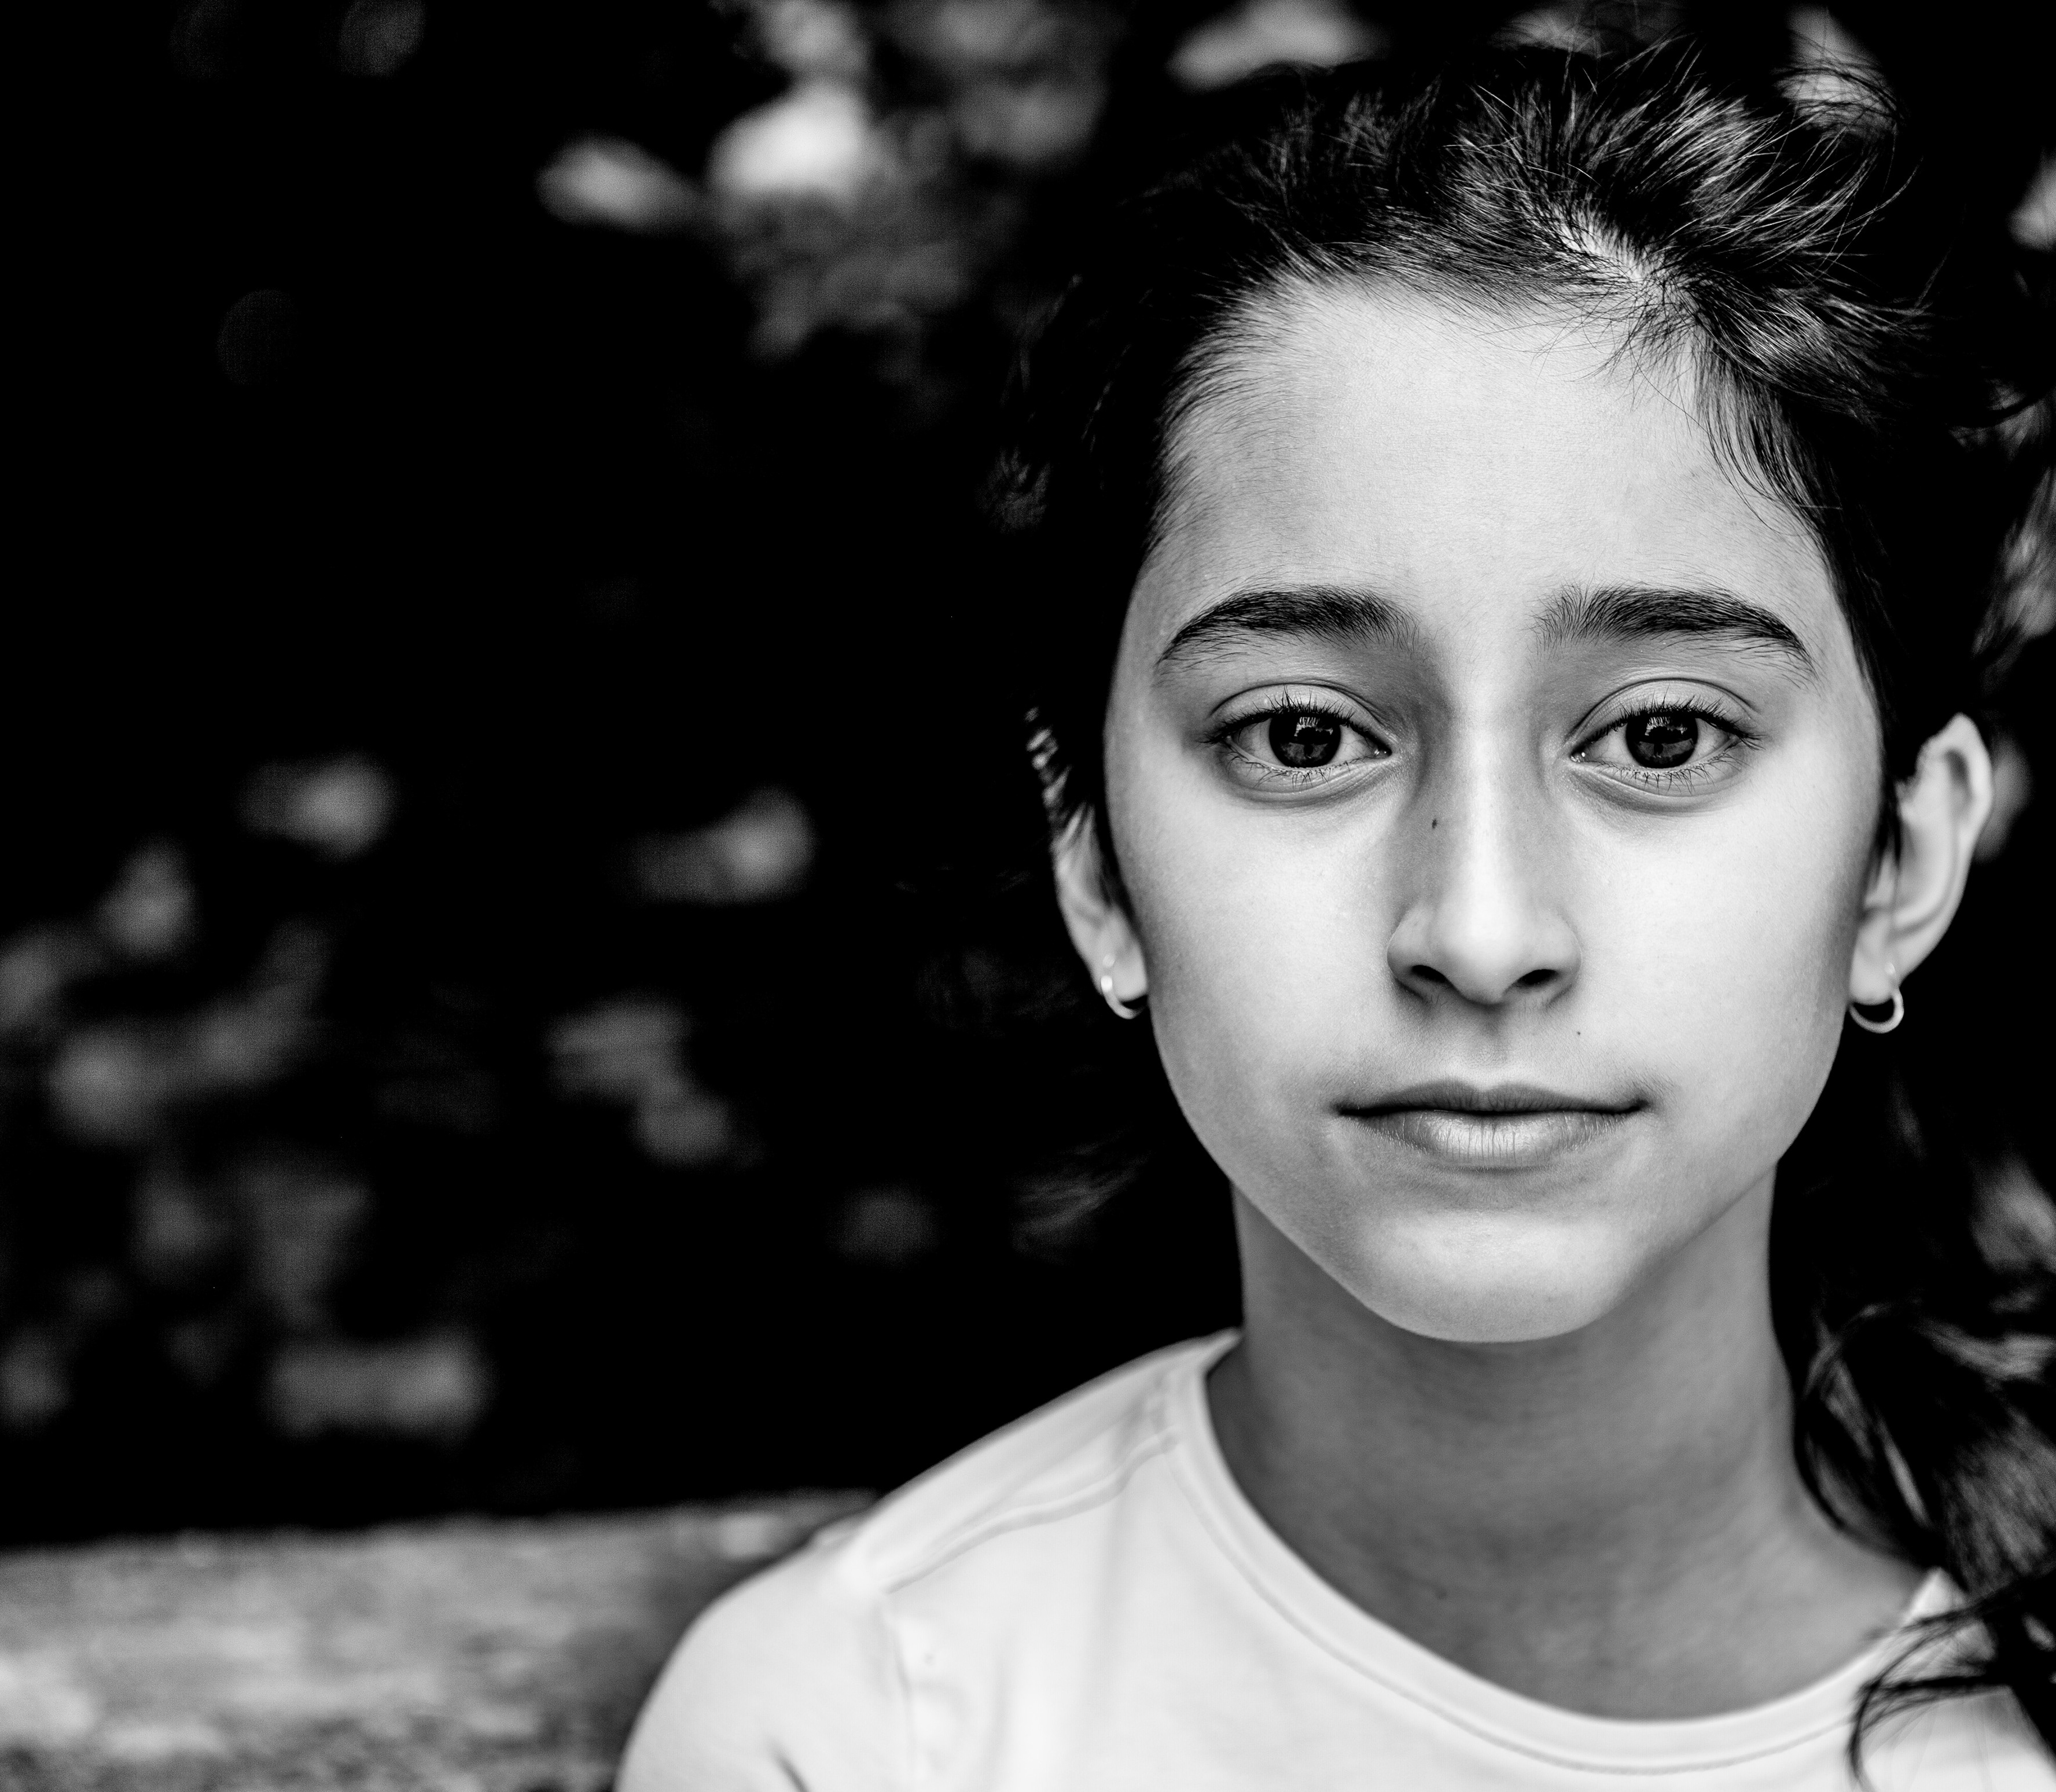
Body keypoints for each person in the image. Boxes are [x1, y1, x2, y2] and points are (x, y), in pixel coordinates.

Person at [620, 44, 2054, 1791]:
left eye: (1663, 736)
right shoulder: (868, 1733)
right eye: (1304, 735)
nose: (1480, 928)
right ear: (1094, 855)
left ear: (1904, 856)